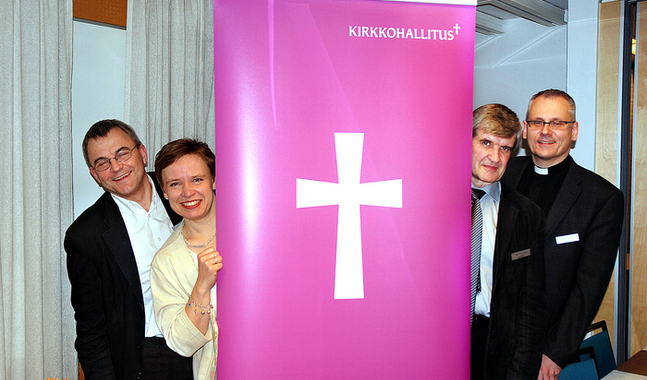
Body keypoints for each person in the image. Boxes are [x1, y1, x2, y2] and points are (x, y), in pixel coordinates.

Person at [502, 89, 624, 380]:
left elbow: (589, 287)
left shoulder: (602, 198)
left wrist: (555, 353)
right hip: (487, 335)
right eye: (537, 122)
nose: (545, 131)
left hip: (541, 346)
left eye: (557, 123)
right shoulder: (500, 173)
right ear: (525, 129)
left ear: (574, 131)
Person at [65, 120, 193, 380]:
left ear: (142, 153)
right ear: (94, 174)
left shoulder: (183, 191)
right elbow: (91, 329)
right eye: (102, 162)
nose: (115, 167)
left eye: (122, 153)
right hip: (150, 358)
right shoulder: (86, 236)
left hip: (209, 342)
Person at [470, 104, 546, 380]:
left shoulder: (527, 214)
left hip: (496, 350)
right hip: (438, 343)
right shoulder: (432, 204)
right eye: (486, 143)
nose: (494, 157)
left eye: (505, 148)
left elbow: (530, 306)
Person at [150, 138, 219, 380]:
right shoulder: (166, 261)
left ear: (214, 179)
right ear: (165, 192)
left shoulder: (253, 226)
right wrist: (201, 286)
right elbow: (181, 343)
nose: (188, 192)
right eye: (175, 184)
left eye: (197, 179)